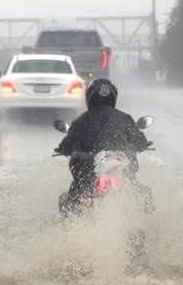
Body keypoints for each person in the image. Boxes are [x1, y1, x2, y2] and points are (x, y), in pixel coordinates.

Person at [55, 78, 151, 211]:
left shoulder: (81, 120)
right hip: (118, 169)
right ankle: (147, 219)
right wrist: (144, 144)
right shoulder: (125, 118)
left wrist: (63, 149)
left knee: (72, 197)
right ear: (113, 98)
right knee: (142, 193)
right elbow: (139, 140)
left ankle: (69, 222)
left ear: (89, 98)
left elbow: (68, 143)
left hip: (89, 171)